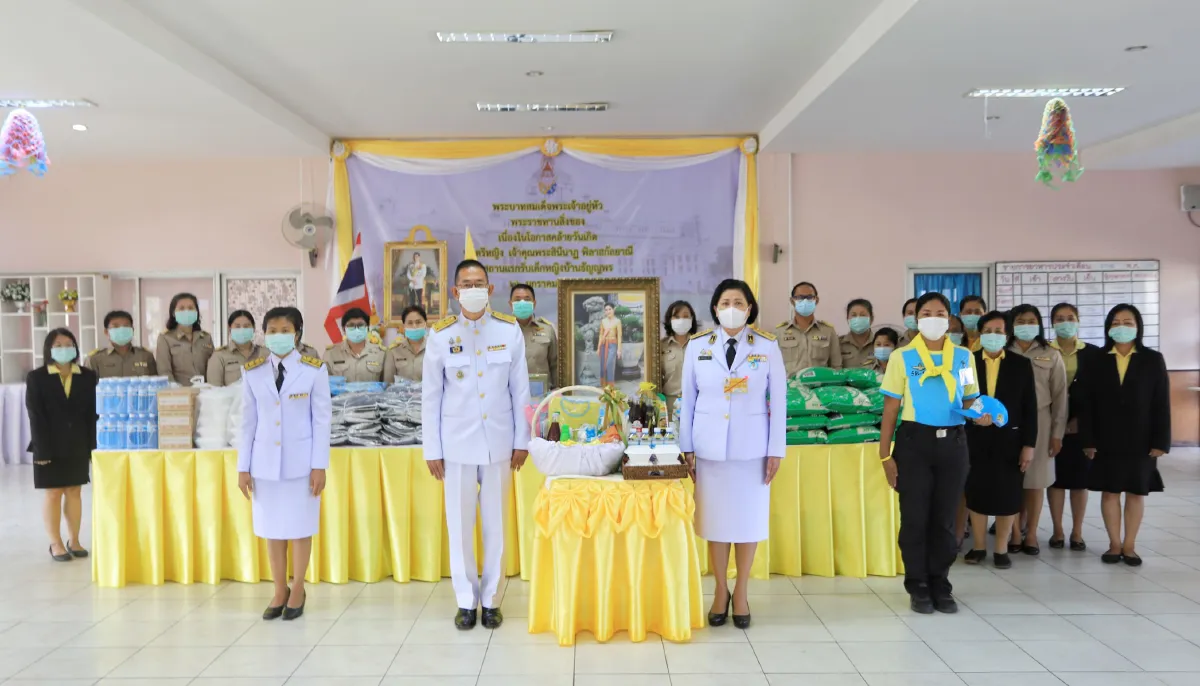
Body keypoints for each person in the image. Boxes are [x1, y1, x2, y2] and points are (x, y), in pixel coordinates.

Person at [423, 259, 530, 630]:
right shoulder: (440, 336)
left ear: (490, 288)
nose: (473, 288)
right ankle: (466, 600)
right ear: (455, 292)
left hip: (500, 442)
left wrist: (522, 440)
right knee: (460, 524)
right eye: (466, 283)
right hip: (455, 446)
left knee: (496, 526)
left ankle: (491, 599)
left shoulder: (509, 330)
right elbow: (430, 396)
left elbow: (521, 391)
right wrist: (431, 449)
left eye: (479, 282)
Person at [680, 278, 785, 630]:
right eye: (726, 302)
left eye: (739, 302)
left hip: (752, 449)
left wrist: (776, 450)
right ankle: (720, 591)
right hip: (709, 448)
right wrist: (686, 447)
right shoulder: (697, 346)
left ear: (750, 309)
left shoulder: (766, 346)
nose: (732, 308)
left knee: (747, 522)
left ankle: (741, 592)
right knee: (716, 523)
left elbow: (779, 403)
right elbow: (688, 400)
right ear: (714, 308)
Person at [879, 292, 988, 615]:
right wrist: (886, 456)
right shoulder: (903, 357)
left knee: (944, 518)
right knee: (914, 516)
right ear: (915, 318)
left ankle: (940, 580)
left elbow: (970, 398)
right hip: (914, 442)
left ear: (949, 318)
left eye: (940, 313)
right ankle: (918, 583)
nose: (933, 318)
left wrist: (981, 414)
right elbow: (891, 408)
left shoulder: (964, 357)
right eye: (926, 312)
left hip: (953, 443)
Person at [237, 307, 331, 621]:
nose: (278, 336)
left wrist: (320, 465)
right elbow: (247, 423)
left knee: (300, 528)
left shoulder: (314, 370)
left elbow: (322, 422)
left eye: (285, 329)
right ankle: (279, 590)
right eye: (272, 330)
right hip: (264, 465)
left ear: (298, 333)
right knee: (272, 530)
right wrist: (243, 467)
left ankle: (298, 587)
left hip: (301, 465)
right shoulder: (252, 371)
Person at [1080, 304, 1170, 567]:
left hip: (1142, 438)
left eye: (1128, 322)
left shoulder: (1152, 359)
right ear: (1108, 327)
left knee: (1135, 492)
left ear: (1138, 326)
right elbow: (1087, 403)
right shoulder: (1097, 359)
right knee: (1110, 491)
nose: (1122, 327)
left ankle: (1129, 545)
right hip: (1105, 438)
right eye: (1116, 322)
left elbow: (1161, 403)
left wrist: (1161, 441)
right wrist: (1088, 440)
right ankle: (1114, 544)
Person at [963, 311, 1037, 570]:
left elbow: (1030, 406)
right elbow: (961, 398)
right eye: (988, 331)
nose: (993, 336)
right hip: (975, 438)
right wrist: (972, 416)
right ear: (980, 334)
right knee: (977, 491)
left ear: (1007, 335)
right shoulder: (967, 362)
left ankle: (1001, 549)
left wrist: (1029, 445)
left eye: (999, 331)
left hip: (1011, 440)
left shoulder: (1020, 364)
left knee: (1008, 494)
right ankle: (979, 546)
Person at [26, 328, 98, 562]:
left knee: (74, 491)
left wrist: (92, 447)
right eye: (58, 344)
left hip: (78, 443)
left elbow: (91, 414)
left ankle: (74, 540)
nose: (64, 348)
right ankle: (55, 543)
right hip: (48, 444)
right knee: (54, 493)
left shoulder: (87, 375)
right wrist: (41, 450)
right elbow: (35, 415)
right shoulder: (36, 377)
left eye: (68, 343)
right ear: (48, 349)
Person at [1007, 304, 1068, 556]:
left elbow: (1060, 396)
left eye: (1031, 321)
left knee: (1035, 482)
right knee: (1010, 480)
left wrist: (1057, 434)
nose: (1026, 325)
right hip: (1007, 423)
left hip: (1041, 423)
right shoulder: (1001, 349)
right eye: (1020, 321)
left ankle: (1031, 533)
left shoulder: (1050, 354)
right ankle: (1013, 534)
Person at [1047, 302, 1098, 551]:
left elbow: (1098, 396)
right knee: (1055, 481)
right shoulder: (1044, 350)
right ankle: (1057, 530)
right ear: (1052, 323)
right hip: (1050, 426)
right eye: (1059, 318)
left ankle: (1077, 532)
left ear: (1078, 321)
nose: (1065, 322)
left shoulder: (1092, 353)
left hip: (1081, 428)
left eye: (1070, 317)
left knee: (1079, 481)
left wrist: (1083, 424)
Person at [777, 281, 841, 377]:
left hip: (820, 388)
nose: (805, 301)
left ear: (817, 300)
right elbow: (773, 368)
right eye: (800, 298)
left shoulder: (828, 331)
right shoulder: (779, 332)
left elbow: (836, 367)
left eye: (810, 297)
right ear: (792, 301)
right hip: (791, 388)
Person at [155, 292, 214, 386]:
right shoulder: (165, 338)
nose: (187, 311)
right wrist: (176, 391)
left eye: (191, 308)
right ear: (173, 313)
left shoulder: (206, 338)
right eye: (181, 308)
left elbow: (213, 368)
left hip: (205, 393)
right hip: (179, 395)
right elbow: (164, 371)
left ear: (196, 312)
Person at [510, 284, 558, 391]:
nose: (522, 303)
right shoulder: (502, 330)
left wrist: (556, 390)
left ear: (534, 303)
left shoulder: (547, 329)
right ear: (510, 304)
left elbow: (555, 364)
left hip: (542, 394)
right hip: (511, 393)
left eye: (527, 299)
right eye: (517, 300)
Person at [85, 310, 157, 378]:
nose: (122, 330)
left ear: (132, 330)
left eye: (126, 326)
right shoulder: (94, 359)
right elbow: (87, 388)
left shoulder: (146, 356)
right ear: (106, 332)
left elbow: (156, 384)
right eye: (116, 326)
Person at [323, 308, 386, 382]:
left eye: (360, 325)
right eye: (351, 325)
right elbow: (324, 384)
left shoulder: (381, 353)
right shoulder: (331, 354)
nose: (356, 329)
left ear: (367, 328)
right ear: (344, 329)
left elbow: (387, 385)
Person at [661, 300, 698, 415]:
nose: (681, 320)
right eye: (676, 317)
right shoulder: (661, 346)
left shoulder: (700, 344)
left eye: (685, 316)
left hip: (696, 403)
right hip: (669, 404)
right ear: (669, 320)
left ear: (692, 319)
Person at [207, 310, 263, 386]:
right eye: (237, 326)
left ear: (253, 328)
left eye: (246, 326)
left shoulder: (265, 353)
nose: (242, 330)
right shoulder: (219, 356)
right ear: (230, 329)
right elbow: (214, 390)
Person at [384, 306, 427, 382]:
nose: (414, 326)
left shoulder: (435, 349)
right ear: (404, 326)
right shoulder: (394, 351)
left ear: (425, 324)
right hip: (402, 393)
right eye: (410, 323)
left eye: (418, 322)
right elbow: (388, 383)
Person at [840, 299, 877, 369]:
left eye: (863, 315)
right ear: (847, 319)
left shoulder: (880, 343)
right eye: (853, 315)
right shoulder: (839, 343)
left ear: (871, 319)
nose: (858, 318)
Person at [596, 303, 623, 387]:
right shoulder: (603, 321)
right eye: (606, 310)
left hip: (613, 345)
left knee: (609, 365)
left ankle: (610, 387)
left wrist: (619, 350)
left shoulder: (617, 321)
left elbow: (619, 336)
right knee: (602, 366)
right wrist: (598, 348)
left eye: (609, 309)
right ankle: (603, 386)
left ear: (613, 309)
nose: (608, 311)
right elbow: (601, 334)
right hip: (603, 344)